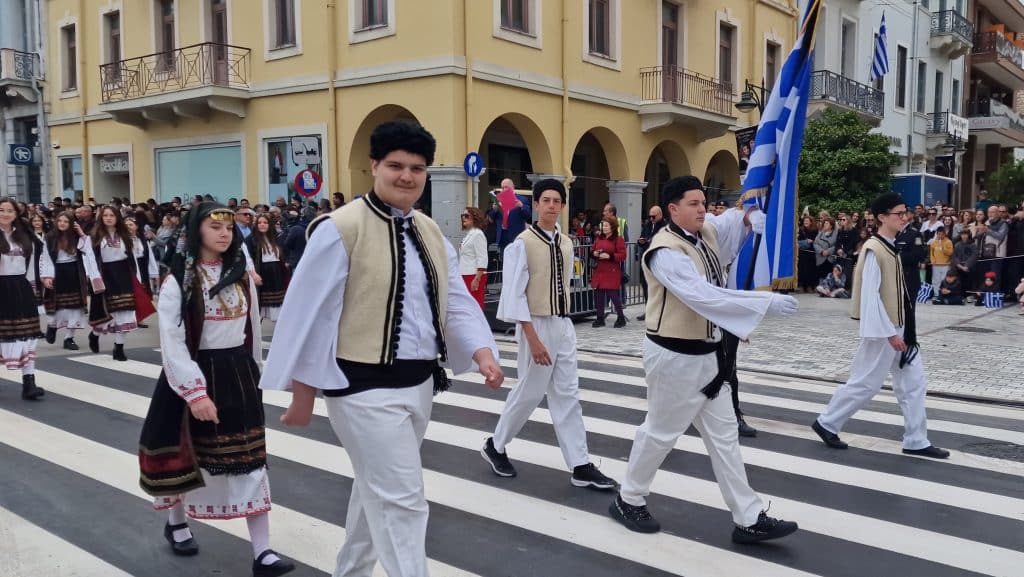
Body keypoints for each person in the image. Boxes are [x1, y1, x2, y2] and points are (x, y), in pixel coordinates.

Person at [260, 121, 504, 577]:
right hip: (361, 389)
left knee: (376, 491)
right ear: (374, 166)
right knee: (403, 501)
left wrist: (480, 350)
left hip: (419, 384)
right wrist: (303, 393)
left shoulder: (431, 231)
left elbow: (454, 301)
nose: (406, 176)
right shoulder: (340, 228)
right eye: (395, 165)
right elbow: (311, 314)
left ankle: (350, 571)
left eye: (416, 168)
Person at [608, 176, 800, 542]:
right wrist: (763, 302)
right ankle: (628, 497)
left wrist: (747, 216)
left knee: (725, 437)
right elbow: (702, 296)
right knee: (661, 433)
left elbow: (726, 222)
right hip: (674, 356)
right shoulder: (665, 250)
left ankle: (748, 516)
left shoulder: (702, 233)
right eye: (693, 204)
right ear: (673, 209)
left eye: (703, 202)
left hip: (708, 358)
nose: (702, 209)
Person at [138, 203, 295, 577]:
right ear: (197, 232)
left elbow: (253, 334)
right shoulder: (180, 280)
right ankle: (177, 522)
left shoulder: (241, 276)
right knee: (187, 457)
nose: (224, 233)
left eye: (228, 228)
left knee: (251, 460)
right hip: (196, 372)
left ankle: (263, 553)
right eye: (215, 226)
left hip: (237, 373)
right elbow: (173, 342)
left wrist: (257, 376)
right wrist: (195, 392)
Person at [482, 178, 617, 490]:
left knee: (568, 395)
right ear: (537, 205)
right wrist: (533, 338)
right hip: (535, 324)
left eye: (557, 201)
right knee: (529, 393)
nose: (552, 206)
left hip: (562, 323)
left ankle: (580, 464)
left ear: (562, 205)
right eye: (547, 200)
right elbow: (515, 295)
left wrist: (562, 328)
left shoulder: (567, 242)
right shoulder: (522, 244)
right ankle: (496, 444)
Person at [812, 193, 950, 460]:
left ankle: (916, 439)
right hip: (884, 330)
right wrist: (890, 333)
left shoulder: (890, 246)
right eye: (899, 213)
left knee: (914, 382)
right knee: (866, 383)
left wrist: (905, 331)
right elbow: (870, 296)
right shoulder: (875, 249)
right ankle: (827, 422)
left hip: (899, 327)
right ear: (882, 217)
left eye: (905, 212)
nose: (905, 217)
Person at [0, 199, 51, 400]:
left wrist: (36, 286)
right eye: (1, 210)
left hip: (21, 287)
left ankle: (29, 383)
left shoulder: (24, 235)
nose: (5, 213)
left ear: (16, 213)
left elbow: (38, 259)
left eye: (9, 210)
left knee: (28, 337)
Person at [88, 206, 142, 361]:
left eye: (112, 215)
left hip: (124, 273)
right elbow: (90, 259)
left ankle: (119, 347)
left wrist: (138, 278)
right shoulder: (95, 236)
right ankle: (95, 334)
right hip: (105, 274)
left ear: (117, 217)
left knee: (124, 311)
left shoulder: (125, 235)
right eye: (105, 215)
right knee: (108, 312)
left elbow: (132, 258)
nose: (109, 218)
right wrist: (94, 277)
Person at [43, 212, 100, 350]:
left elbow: (88, 251)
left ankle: (69, 338)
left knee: (75, 307)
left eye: (66, 221)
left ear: (71, 224)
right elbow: (45, 257)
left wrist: (81, 234)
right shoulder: (50, 237)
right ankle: (52, 326)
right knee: (57, 306)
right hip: (57, 272)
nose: (62, 223)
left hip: (74, 272)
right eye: (60, 221)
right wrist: (47, 276)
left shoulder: (76, 237)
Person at [246, 214, 290, 322]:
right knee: (259, 304)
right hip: (262, 272)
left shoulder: (276, 237)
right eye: (259, 222)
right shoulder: (251, 239)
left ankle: (278, 331)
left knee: (278, 306)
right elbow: (248, 258)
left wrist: (286, 262)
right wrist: (253, 274)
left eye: (265, 222)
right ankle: (257, 331)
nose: (262, 225)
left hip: (277, 273)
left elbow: (283, 253)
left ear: (270, 224)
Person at [636, 206, 665, 321]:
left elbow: (661, 240)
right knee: (645, 285)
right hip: (646, 259)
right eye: (650, 216)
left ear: (660, 214)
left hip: (658, 260)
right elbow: (642, 238)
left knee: (658, 287)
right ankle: (649, 309)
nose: (651, 218)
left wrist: (649, 240)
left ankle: (659, 310)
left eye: (654, 216)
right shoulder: (647, 225)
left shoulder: (665, 226)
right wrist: (641, 241)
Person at [458, 207, 489, 309]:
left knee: (475, 307)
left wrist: (477, 278)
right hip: (466, 274)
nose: (464, 218)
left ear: (475, 218)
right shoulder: (469, 235)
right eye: (462, 216)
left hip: (474, 276)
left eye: (467, 216)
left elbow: (483, 258)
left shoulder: (478, 234)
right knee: (467, 307)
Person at [489, 178, 532, 250]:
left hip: (515, 236)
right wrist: (494, 210)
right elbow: (491, 219)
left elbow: (528, 215)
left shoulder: (522, 199)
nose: (504, 189)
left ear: (513, 187)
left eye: (506, 187)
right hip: (502, 236)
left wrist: (521, 206)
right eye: (502, 188)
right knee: (503, 259)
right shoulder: (499, 199)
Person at [928, 226, 953, 295]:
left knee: (944, 279)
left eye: (942, 234)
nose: (940, 236)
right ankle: (936, 294)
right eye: (939, 234)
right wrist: (932, 260)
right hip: (936, 264)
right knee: (936, 280)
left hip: (945, 264)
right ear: (937, 234)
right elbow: (931, 253)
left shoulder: (948, 242)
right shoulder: (934, 242)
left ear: (945, 234)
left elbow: (950, 252)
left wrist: (943, 248)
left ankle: (943, 293)